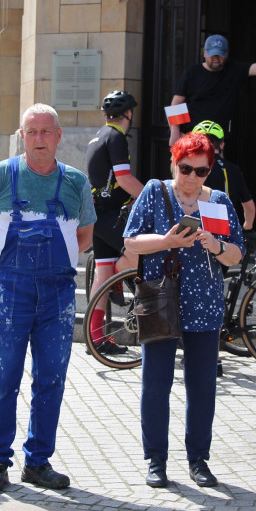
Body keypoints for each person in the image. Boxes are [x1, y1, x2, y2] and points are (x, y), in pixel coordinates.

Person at [0, 103, 96, 493]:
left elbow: (85, 237)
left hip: (58, 292)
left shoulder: (74, 182)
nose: (39, 139)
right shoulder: (0, 176)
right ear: (22, 136)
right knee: (2, 376)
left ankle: (38, 463)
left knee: (51, 378)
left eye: (46, 132)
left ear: (58, 137)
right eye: (31, 132)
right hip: (10, 289)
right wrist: (2, 261)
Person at [123, 133, 243, 488]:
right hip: (162, 300)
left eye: (201, 171)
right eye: (185, 168)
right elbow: (131, 240)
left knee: (202, 385)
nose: (192, 177)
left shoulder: (218, 202)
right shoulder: (155, 193)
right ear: (173, 163)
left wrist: (216, 244)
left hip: (204, 304)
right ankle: (156, 460)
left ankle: (198, 460)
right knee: (156, 383)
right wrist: (168, 241)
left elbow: (237, 254)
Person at [86, 90, 144, 353]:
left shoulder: (97, 136)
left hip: (98, 214)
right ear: (128, 114)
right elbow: (124, 179)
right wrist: (153, 196)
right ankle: (122, 285)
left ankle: (94, 338)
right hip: (110, 214)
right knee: (141, 255)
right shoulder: (116, 137)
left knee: (103, 275)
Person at [169, 34, 256, 146]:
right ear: (204, 53)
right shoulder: (192, 73)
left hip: (216, 140)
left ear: (227, 54)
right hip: (190, 136)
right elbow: (176, 103)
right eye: (212, 54)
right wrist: (175, 132)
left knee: (215, 173)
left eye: (219, 55)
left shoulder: (233, 70)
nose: (216, 58)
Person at [192, 120, 256, 231]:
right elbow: (250, 207)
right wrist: (246, 229)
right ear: (222, 144)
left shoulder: (192, 169)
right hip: (227, 233)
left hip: (200, 233)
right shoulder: (234, 169)